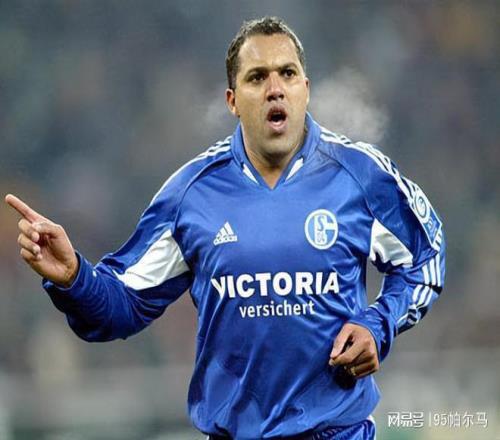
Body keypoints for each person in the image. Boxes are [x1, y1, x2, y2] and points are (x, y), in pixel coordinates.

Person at [5, 16, 445, 440]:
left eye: (287, 73)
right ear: (232, 100)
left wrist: (377, 324)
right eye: (257, 78)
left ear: (305, 89)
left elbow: (425, 259)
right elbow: (122, 304)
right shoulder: (191, 195)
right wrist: (74, 278)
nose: (275, 89)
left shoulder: (361, 177)